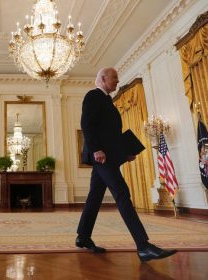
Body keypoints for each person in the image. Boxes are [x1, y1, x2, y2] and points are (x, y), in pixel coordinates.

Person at [76, 67, 177, 262]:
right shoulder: (93, 96)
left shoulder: (108, 101)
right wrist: (96, 149)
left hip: (108, 156)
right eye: (114, 78)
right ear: (103, 79)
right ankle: (143, 246)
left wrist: (125, 152)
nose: (117, 81)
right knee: (122, 193)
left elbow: (111, 134)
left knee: (95, 197)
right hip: (101, 157)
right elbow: (86, 124)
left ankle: (83, 236)